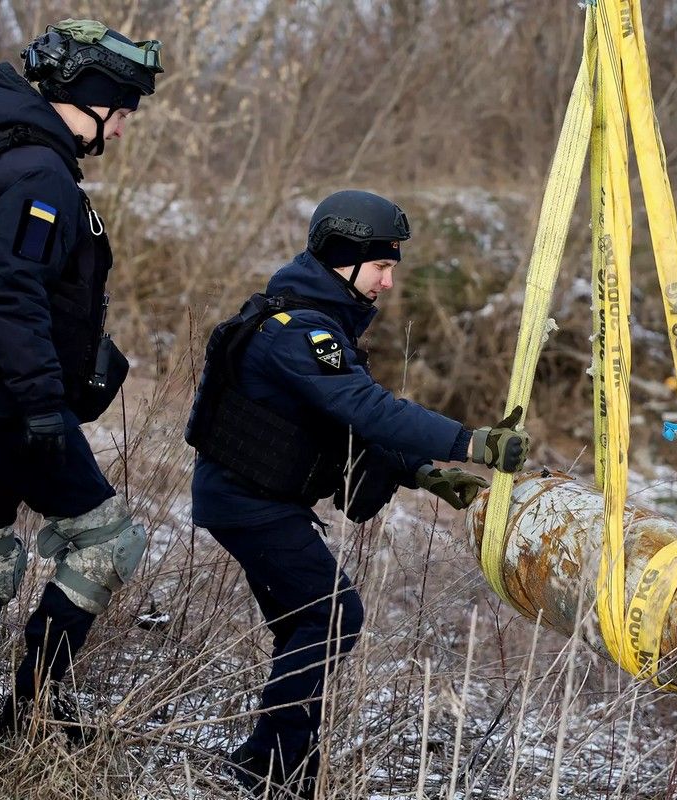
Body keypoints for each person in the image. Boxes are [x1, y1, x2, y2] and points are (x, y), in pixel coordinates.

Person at [186, 190, 531, 797]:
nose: (388, 283)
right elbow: (362, 408)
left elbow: (337, 423)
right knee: (331, 613)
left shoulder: (320, 320)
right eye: (381, 267)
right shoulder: (295, 330)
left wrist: (421, 469)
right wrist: (469, 442)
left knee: (306, 623)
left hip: (254, 500)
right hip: (248, 503)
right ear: (341, 260)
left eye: (391, 268)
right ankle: (271, 769)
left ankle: (273, 763)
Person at [0, 19, 164, 739]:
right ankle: (36, 702)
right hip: (9, 402)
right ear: (89, 97)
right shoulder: (39, 170)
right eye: (124, 109)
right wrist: (45, 402)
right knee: (109, 543)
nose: (124, 127)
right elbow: (10, 292)